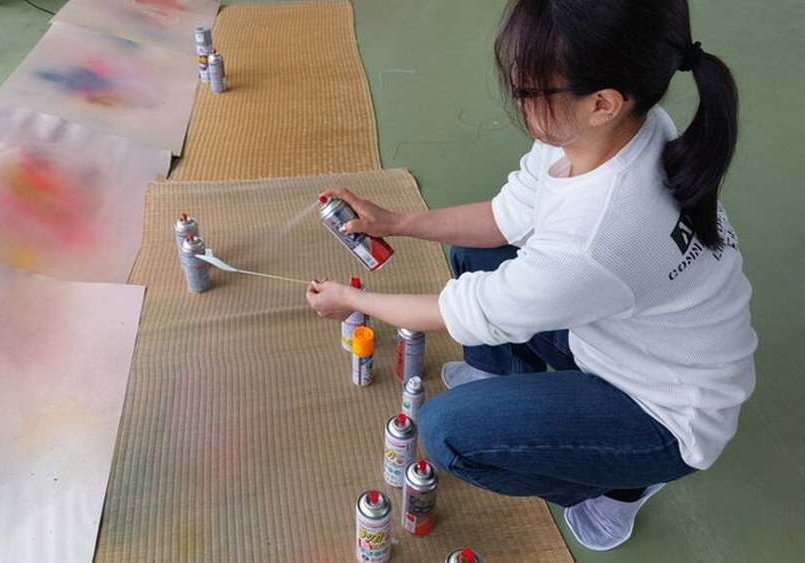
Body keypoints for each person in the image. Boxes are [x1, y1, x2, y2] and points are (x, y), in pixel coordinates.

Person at [305, 0, 757, 551]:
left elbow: (453, 311)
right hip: (633, 334)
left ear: (602, 103)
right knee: (476, 256)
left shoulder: (596, 237)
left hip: (667, 412)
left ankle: (623, 482)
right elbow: (504, 217)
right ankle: (507, 383)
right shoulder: (625, 127)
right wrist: (394, 222)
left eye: (528, 90)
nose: (516, 96)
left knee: (448, 433)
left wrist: (353, 300)